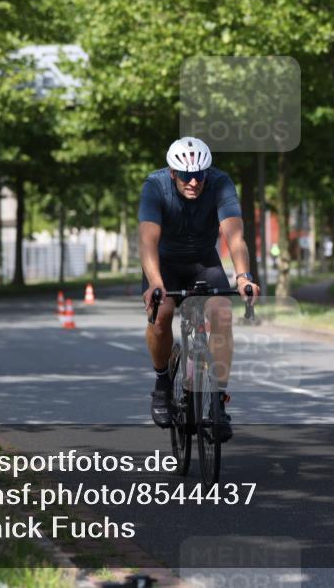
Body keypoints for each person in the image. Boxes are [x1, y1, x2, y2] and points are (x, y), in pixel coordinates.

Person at [139, 137, 260, 441]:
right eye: (184, 175)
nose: (193, 182)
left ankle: (218, 399)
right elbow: (148, 240)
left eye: (199, 175)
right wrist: (155, 283)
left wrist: (243, 276)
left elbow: (234, 236)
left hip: (203, 260)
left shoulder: (220, 184)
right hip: (164, 264)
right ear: (171, 172)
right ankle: (163, 384)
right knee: (163, 312)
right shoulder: (154, 186)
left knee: (222, 313)